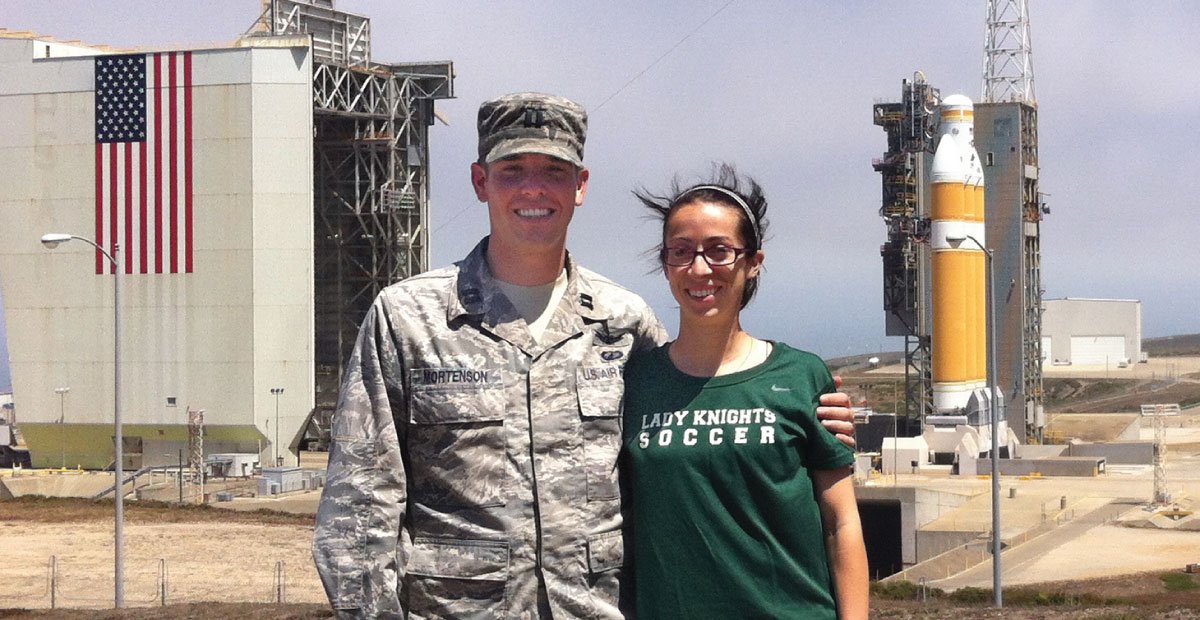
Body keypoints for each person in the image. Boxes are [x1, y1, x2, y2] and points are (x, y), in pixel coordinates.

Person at [312, 93, 858, 620]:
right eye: (512, 170)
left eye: (554, 170)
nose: (534, 187)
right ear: (481, 181)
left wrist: (809, 412)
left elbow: (688, 430)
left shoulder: (624, 323)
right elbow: (358, 511)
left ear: (581, 185)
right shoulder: (409, 318)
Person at [624, 166, 868, 620]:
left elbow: (841, 522)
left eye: (720, 251)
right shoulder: (634, 382)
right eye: (681, 252)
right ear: (665, 263)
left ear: (753, 261)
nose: (700, 269)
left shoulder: (800, 375)